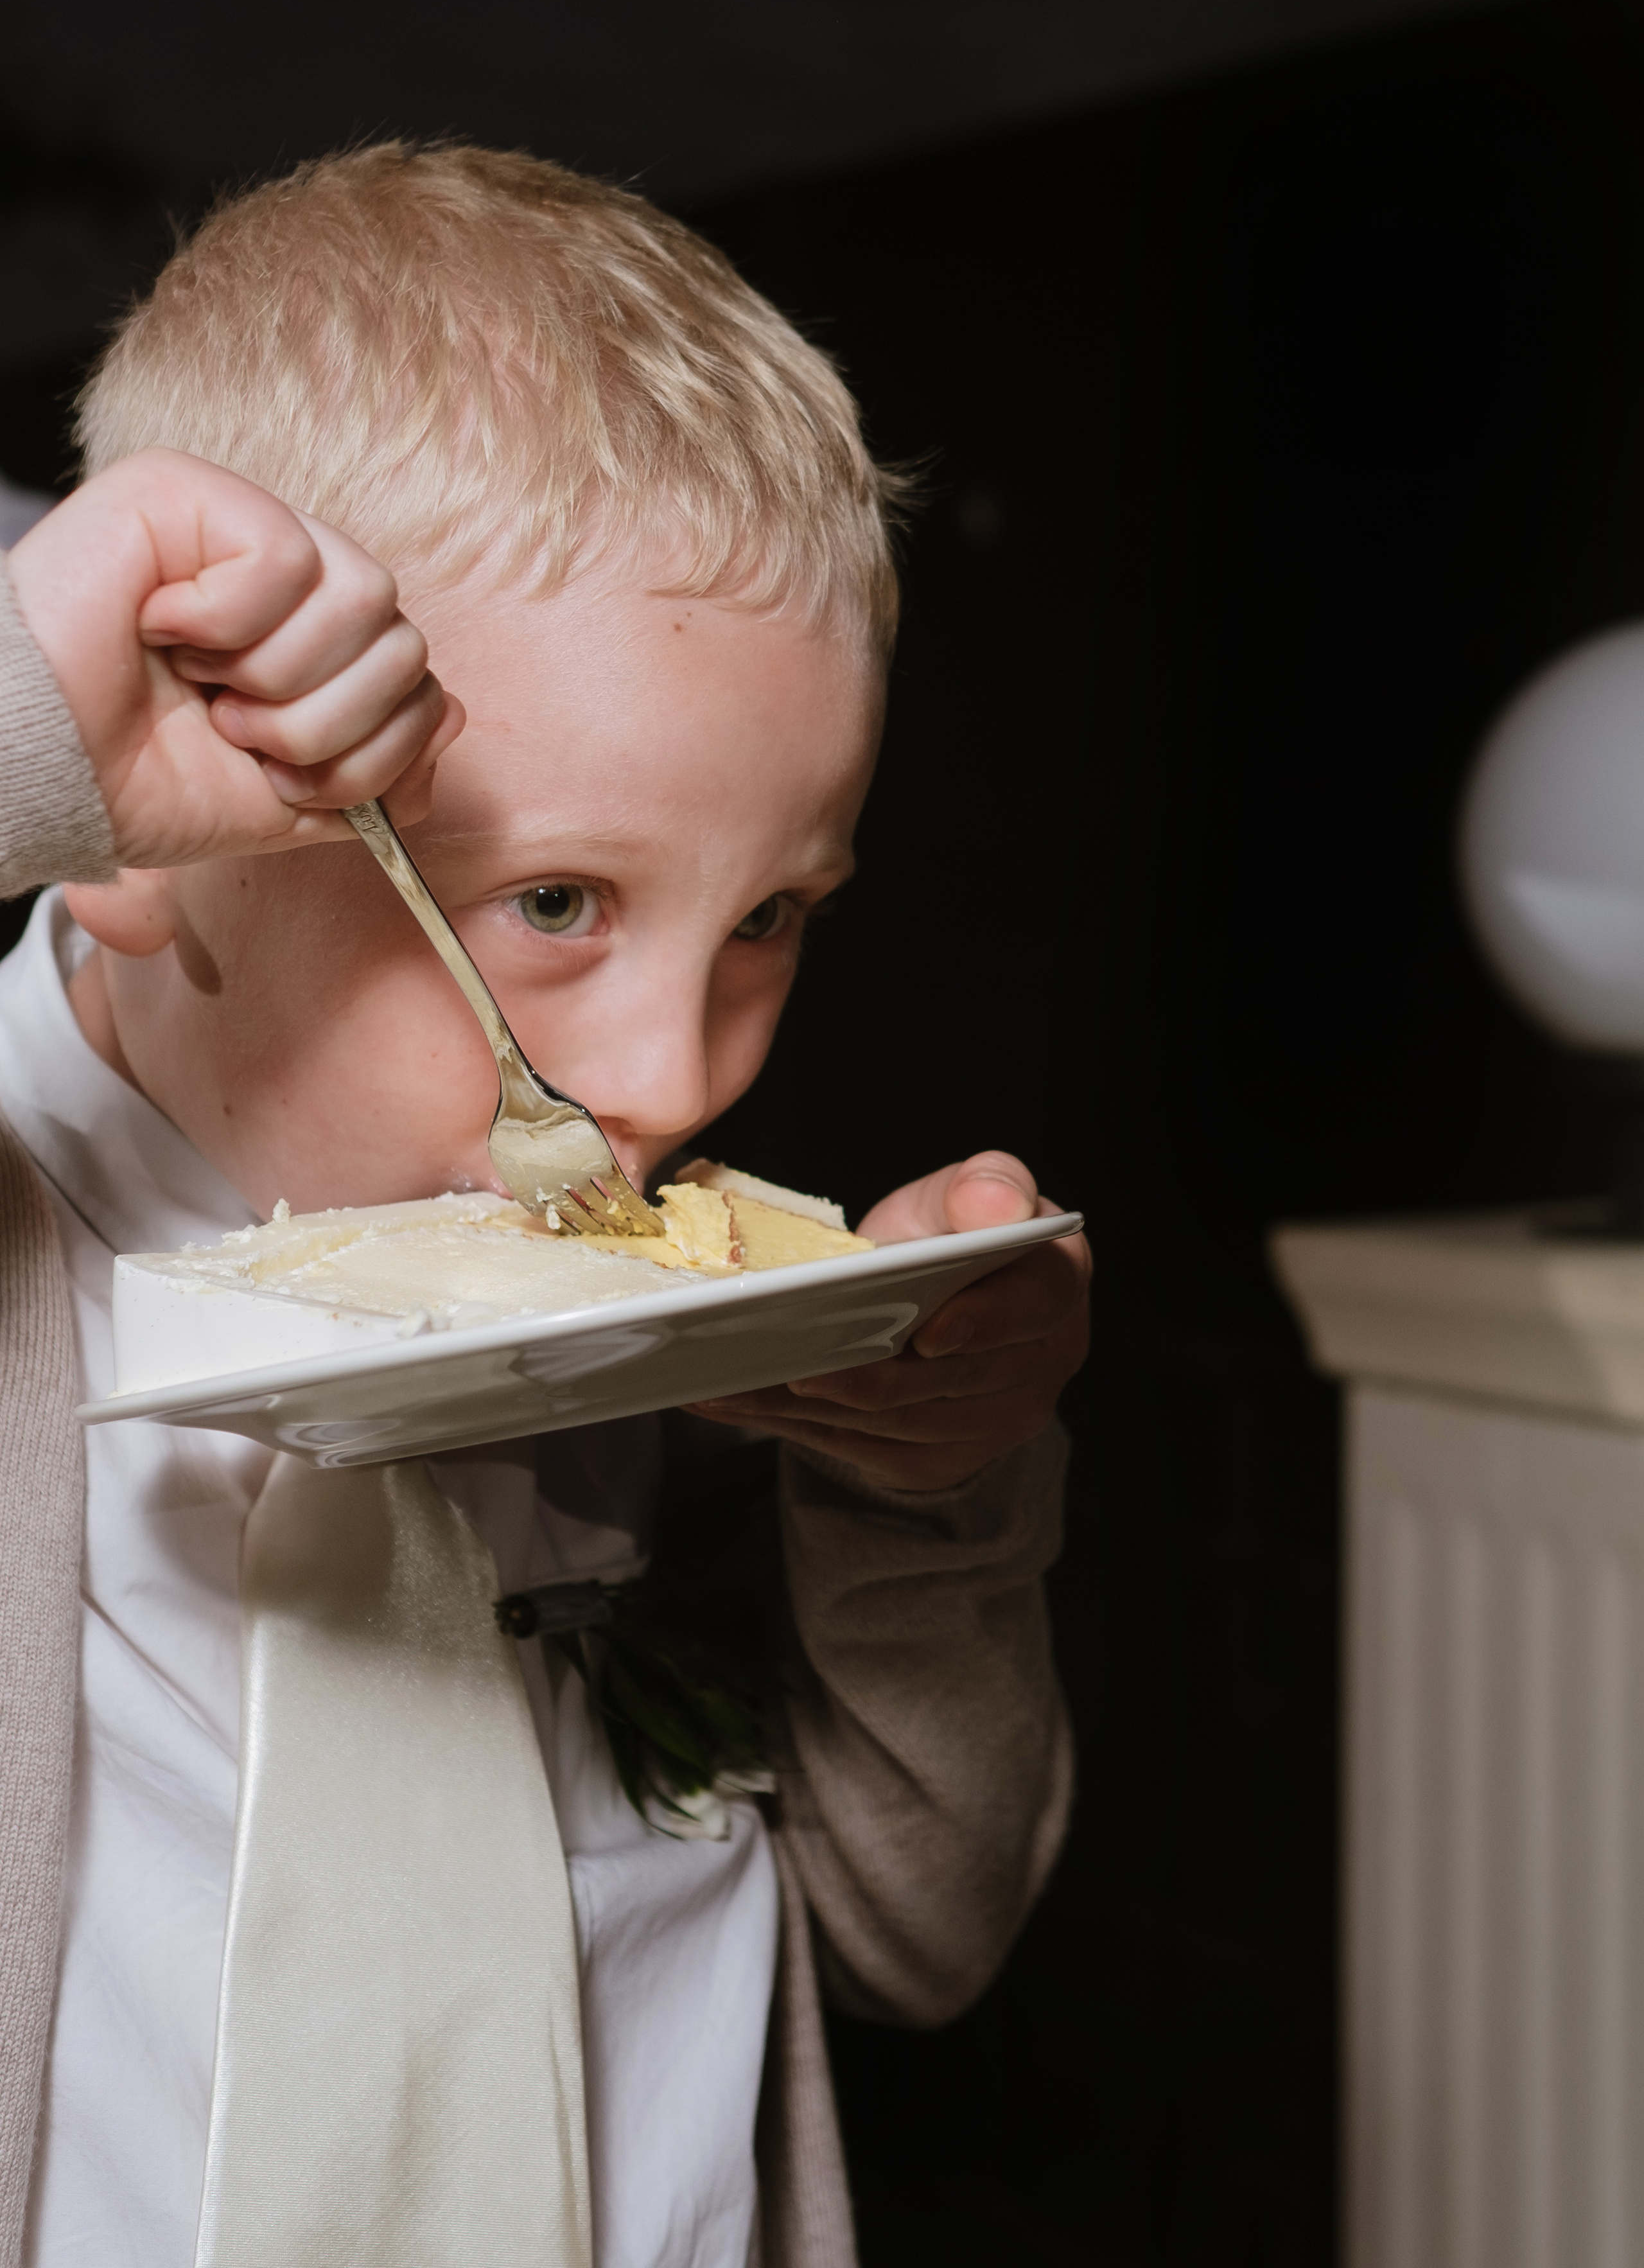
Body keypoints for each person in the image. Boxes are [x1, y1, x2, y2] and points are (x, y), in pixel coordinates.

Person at [0, 144, 1090, 2268]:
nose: (678, 1083)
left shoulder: (646, 1327)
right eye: (558, 901)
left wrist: (928, 1485)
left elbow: (922, 1932)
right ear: (146, 829)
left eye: (772, 913)